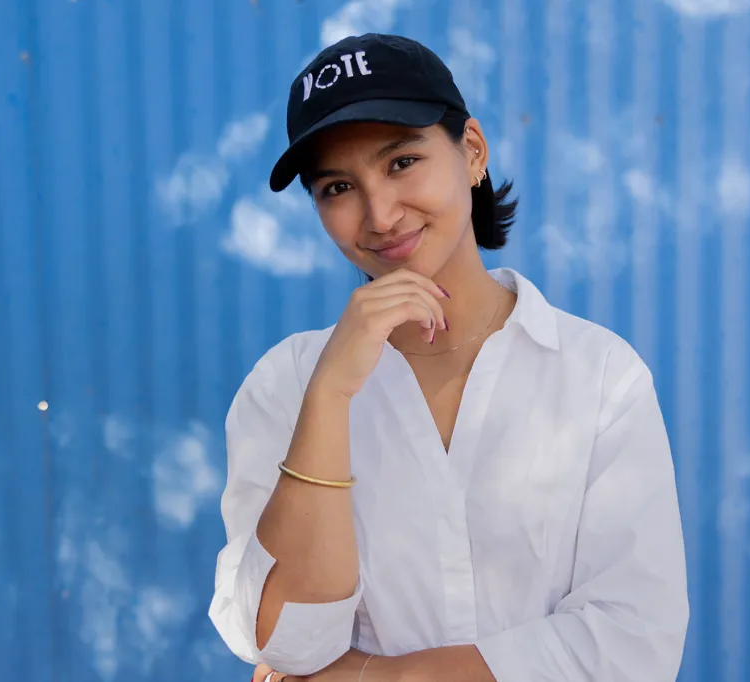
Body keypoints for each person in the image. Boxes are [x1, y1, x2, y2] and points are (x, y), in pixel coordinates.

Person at [208, 33, 688, 682]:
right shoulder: (286, 385)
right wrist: (329, 397)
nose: (379, 214)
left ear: (471, 152)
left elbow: (633, 644)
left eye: (402, 163)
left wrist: (371, 678)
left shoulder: (599, 375)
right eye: (338, 187)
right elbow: (290, 643)